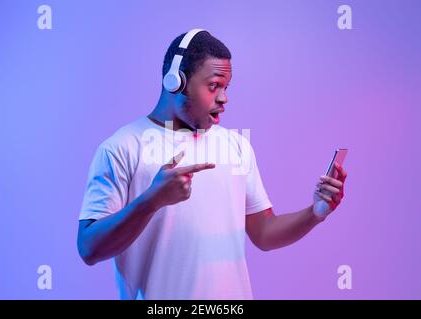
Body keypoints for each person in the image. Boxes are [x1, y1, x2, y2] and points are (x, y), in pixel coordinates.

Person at [77, 29, 347, 300]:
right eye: (214, 85)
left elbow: (264, 234)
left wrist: (315, 213)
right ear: (176, 82)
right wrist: (151, 201)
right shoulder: (121, 147)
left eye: (226, 87)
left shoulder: (236, 146)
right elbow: (89, 249)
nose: (223, 98)